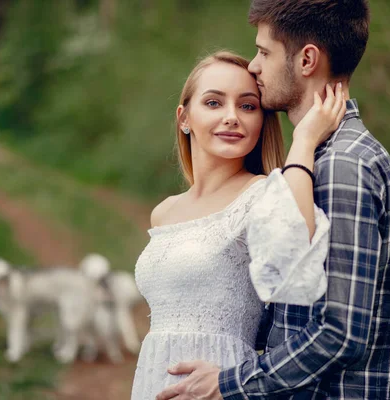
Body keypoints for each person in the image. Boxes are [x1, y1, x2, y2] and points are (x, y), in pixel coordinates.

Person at [157, 1, 390, 399]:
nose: (254, 67)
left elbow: (340, 333)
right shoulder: (319, 161)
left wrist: (229, 383)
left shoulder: (343, 166)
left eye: (264, 52)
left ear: (307, 59)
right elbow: (289, 307)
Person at [131, 50, 346, 399]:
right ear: (184, 118)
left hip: (221, 385)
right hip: (154, 382)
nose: (232, 117)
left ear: (262, 121)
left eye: (248, 106)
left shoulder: (263, 194)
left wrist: (304, 142)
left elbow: (297, 254)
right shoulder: (164, 212)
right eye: (214, 103)